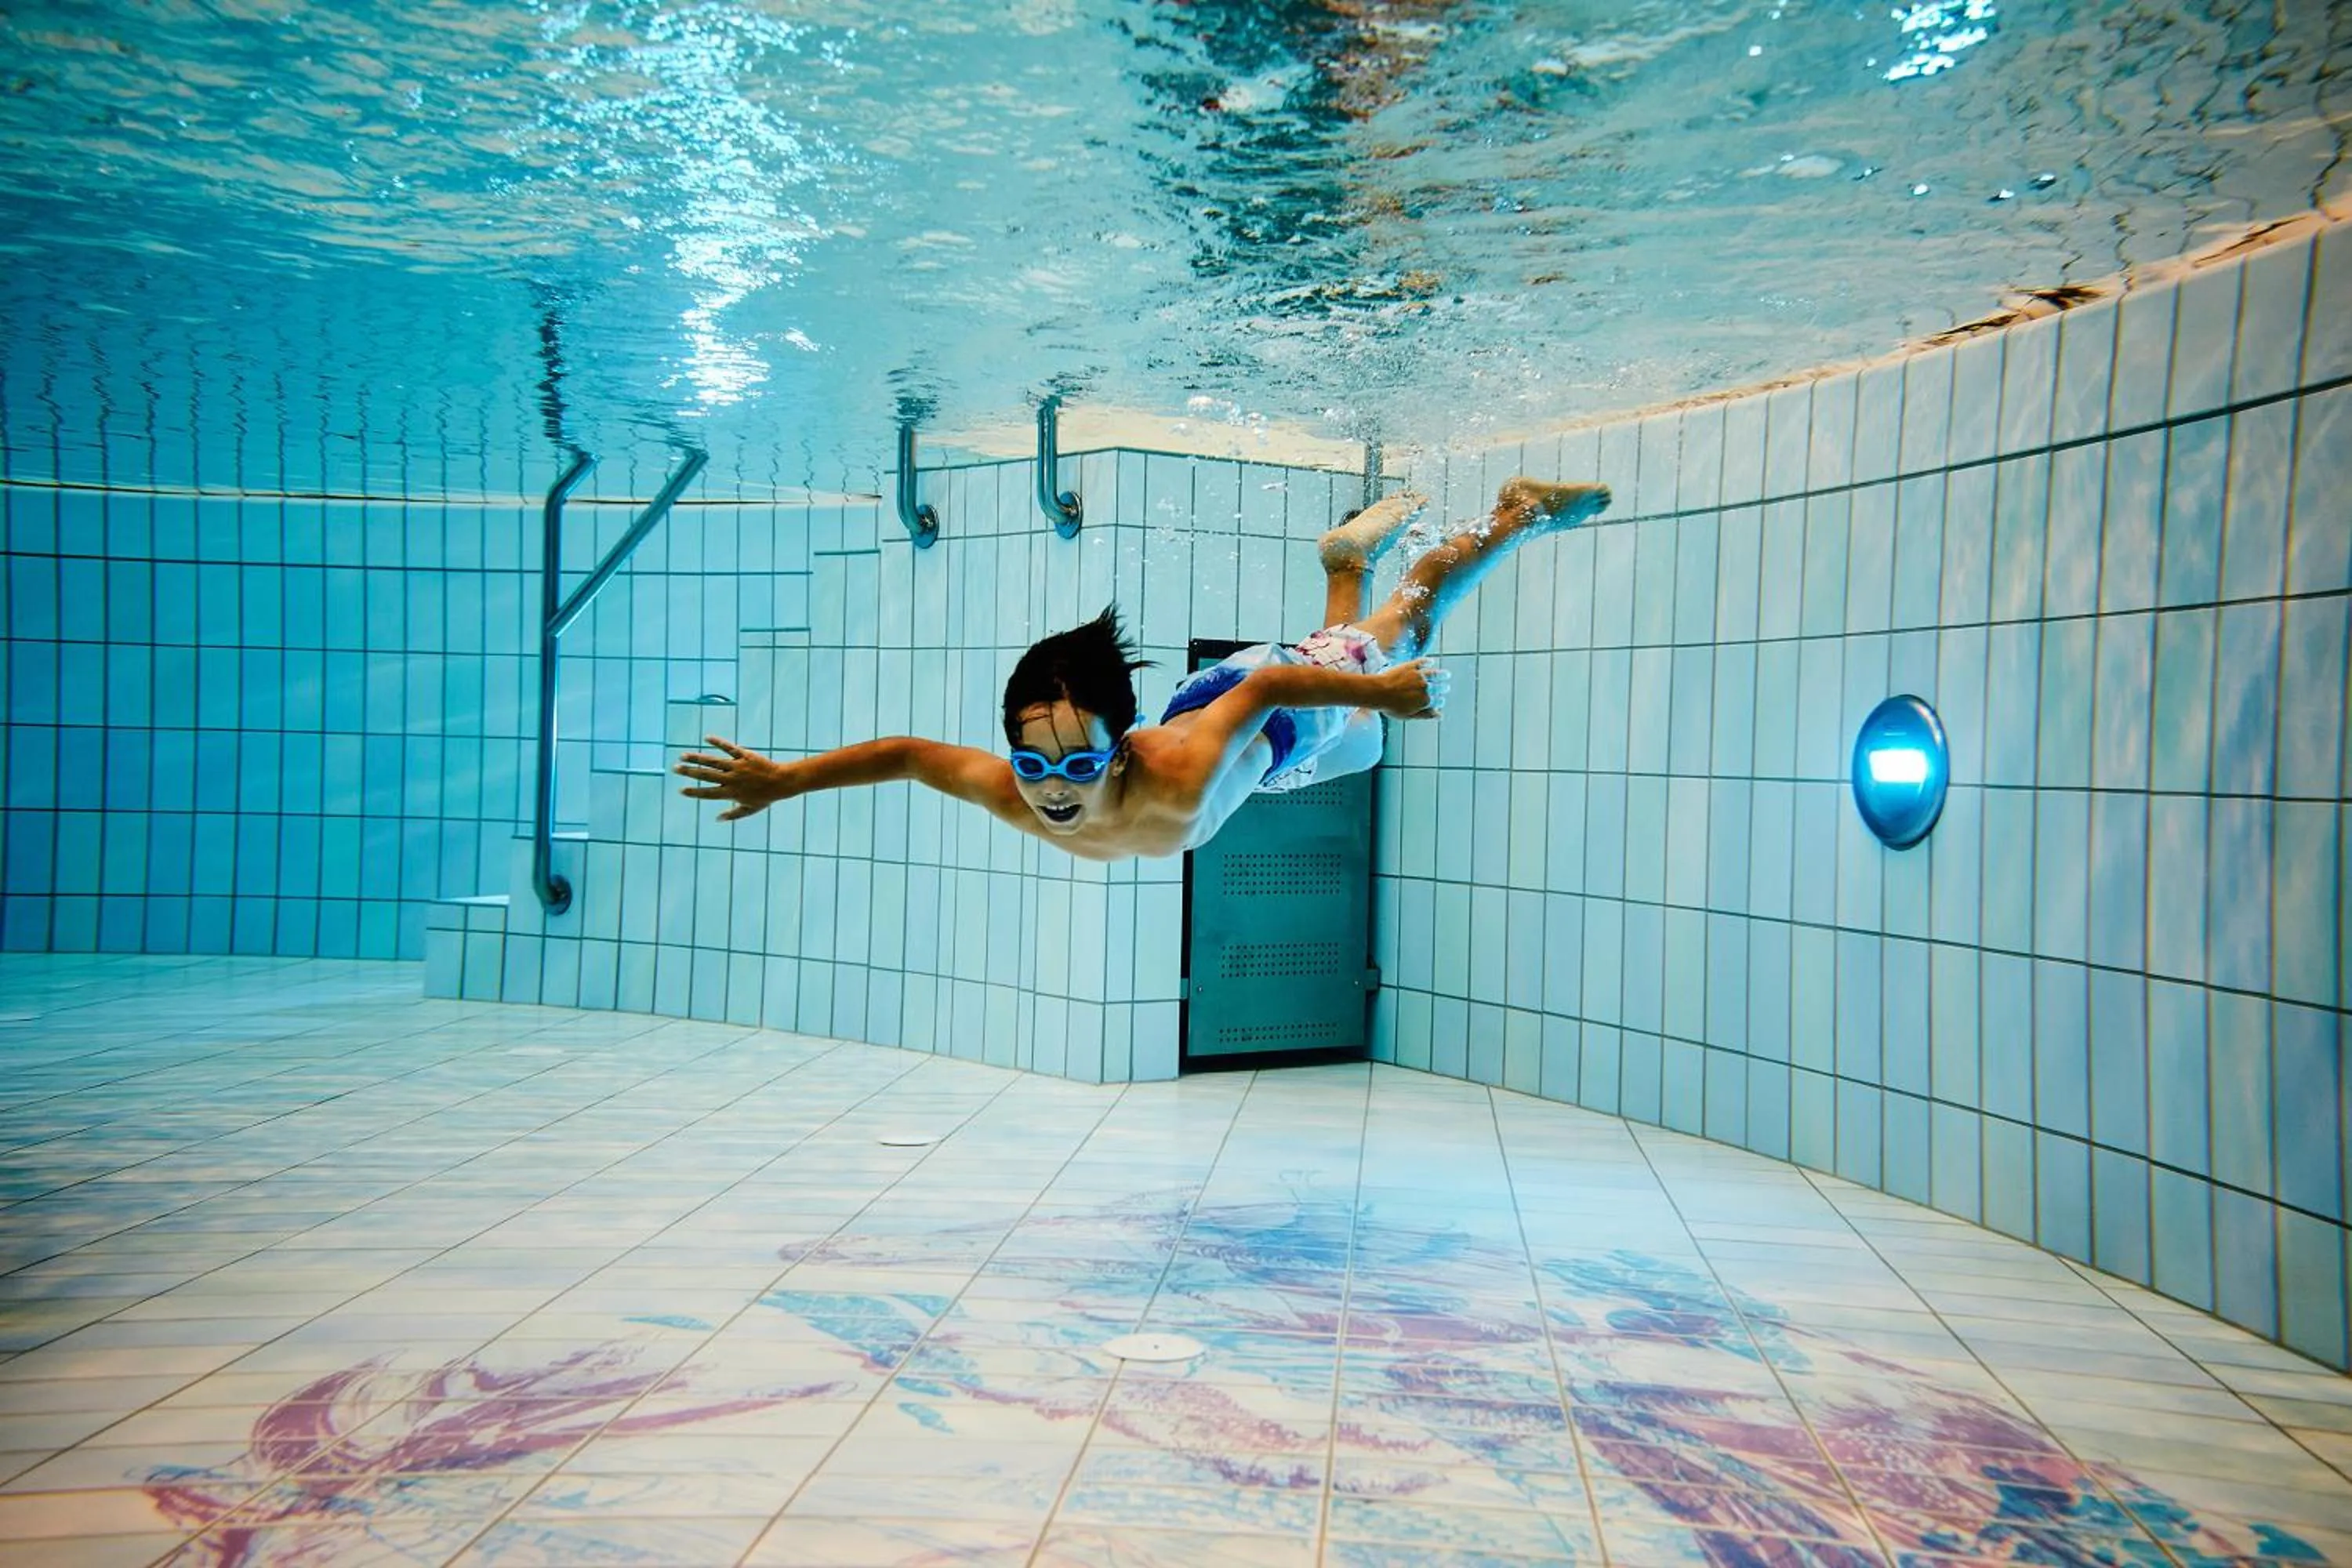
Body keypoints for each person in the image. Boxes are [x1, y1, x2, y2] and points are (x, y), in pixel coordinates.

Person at [676, 477, 1611, 861]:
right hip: (1252, 743)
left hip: (1266, 707)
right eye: (1035, 763)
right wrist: (785, 777)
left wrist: (1381, 689)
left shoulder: (1178, 772)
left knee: (1413, 619)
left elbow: (1270, 689)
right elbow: (911, 755)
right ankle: (1341, 565)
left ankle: (1514, 510)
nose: (1049, 789)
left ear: (1117, 751)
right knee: (1358, 753)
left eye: (1076, 763)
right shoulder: (1019, 787)